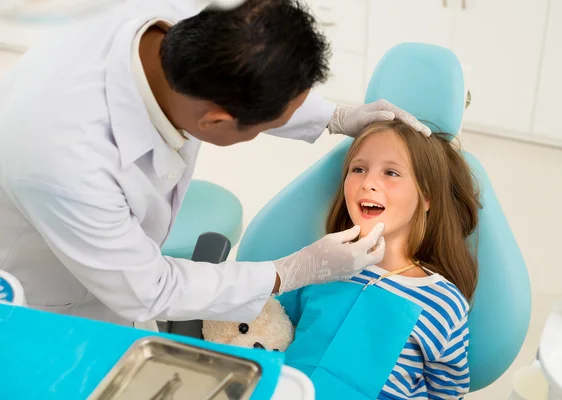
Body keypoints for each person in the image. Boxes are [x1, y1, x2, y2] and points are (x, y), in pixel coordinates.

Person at [0, 0, 431, 326]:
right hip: (43, 297)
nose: (371, 184)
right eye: (267, 124)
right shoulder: (64, 162)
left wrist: (334, 117)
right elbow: (149, 289)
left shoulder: (199, 20)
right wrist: (294, 271)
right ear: (215, 121)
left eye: (392, 173)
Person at [278, 121, 480, 399]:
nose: (368, 183)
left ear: (426, 197)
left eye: (391, 172)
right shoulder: (323, 264)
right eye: (358, 169)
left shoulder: (442, 302)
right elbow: (272, 329)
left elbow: (447, 393)